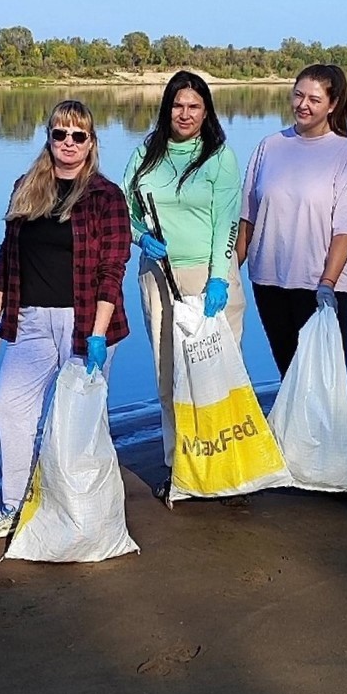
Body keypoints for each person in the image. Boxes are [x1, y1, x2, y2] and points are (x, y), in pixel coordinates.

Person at [0, 100, 131, 538]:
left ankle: (84, 513)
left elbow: (112, 269)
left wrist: (97, 334)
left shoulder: (106, 196)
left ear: (91, 142)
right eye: (60, 134)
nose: (68, 143)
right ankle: (14, 505)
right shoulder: (27, 187)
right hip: (31, 322)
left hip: (87, 323)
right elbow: (8, 258)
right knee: (9, 408)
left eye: (77, 135)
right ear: (49, 137)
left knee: (78, 423)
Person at [122, 71, 245, 478]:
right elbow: (125, 210)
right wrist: (141, 238)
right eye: (178, 105)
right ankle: (179, 465)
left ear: (206, 111)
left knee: (215, 375)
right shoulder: (145, 154)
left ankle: (222, 465)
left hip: (210, 275)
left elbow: (226, 221)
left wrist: (218, 277)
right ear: (166, 108)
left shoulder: (219, 156)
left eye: (194, 106)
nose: (185, 113)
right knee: (168, 372)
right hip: (158, 276)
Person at [238, 63, 347, 377]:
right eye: (298, 95)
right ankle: (294, 428)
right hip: (269, 280)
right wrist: (230, 269)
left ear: (333, 104)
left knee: (324, 380)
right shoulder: (269, 146)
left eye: (314, 99)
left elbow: (346, 230)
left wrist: (327, 283)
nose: (303, 105)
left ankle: (330, 430)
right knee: (289, 374)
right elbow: (248, 215)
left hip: (319, 285)